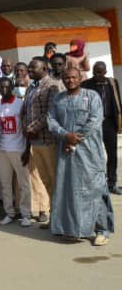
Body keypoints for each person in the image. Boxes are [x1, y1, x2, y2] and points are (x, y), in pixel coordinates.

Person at [48, 68, 114, 246]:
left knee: (95, 189)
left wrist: (75, 138)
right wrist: (65, 135)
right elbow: (51, 121)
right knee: (69, 190)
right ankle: (73, 228)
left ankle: (101, 230)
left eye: (73, 77)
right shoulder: (58, 99)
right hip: (66, 153)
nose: (70, 80)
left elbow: (95, 120)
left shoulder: (92, 96)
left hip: (89, 152)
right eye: (67, 77)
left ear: (80, 78)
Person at [24, 57, 63, 225]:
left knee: (54, 181)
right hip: (34, 142)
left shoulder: (52, 86)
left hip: (48, 141)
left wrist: (32, 128)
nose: (29, 70)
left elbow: (50, 112)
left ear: (45, 68)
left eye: (33, 68)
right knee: (45, 180)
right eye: (29, 68)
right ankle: (53, 215)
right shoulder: (31, 87)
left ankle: (60, 218)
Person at [0, 78, 32, 227]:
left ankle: (26, 214)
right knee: (5, 184)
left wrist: (27, 150)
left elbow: (27, 127)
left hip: (18, 149)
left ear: (12, 88)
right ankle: (9, 213)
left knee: (23, 184)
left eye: (7, 87)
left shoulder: (20, 104)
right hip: (2, 150)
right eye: (1, 87)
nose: (4, 90)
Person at [81, 61, 122, 194]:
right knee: (94, 154)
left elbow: (117, 101)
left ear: (105, 72)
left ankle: (112, 183)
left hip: (110, 123)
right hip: (93, 124)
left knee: (112, 154)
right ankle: (97, 183)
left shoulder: (112, 83)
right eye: (95, 72)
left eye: (100, 72)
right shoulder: (86, 85)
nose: (97, 75)